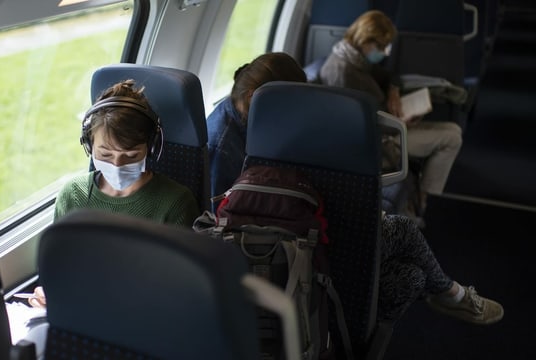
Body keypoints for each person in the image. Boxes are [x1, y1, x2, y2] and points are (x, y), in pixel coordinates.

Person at [208, 52, 503, 326]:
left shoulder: (264, 122)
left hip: (304, 232)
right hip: (280, 251)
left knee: (412, 278)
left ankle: (351, 327)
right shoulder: (223, 146)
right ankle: (452, 295)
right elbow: (230, 221)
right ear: (251, 97)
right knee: (402, 230)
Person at [28, 79, 200, 308]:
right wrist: (48, 292)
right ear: (89, 147)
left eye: (130, 155)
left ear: (151, 148)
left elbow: (178, 289)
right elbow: (59, 268)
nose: (117, 165)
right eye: (106, 155)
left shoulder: (176, 203)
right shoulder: (73, 195)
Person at [318, 9, 463, 218]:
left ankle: (420, 193)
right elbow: (360, 127)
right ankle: (422, 197)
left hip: (390, 125)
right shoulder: (344, 74)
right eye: (380, 47)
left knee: (453, 129)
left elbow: (387, 76)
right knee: (452, 137)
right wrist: (404, 121)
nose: (384, 52)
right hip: (383, 140)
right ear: (365, 39)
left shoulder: (353, 58)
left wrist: (393, 92)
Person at [206, 52, 307, 202]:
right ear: (254, 96)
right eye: (285, 104)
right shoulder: (222, 147)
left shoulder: (252, 116)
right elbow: (218, 213)